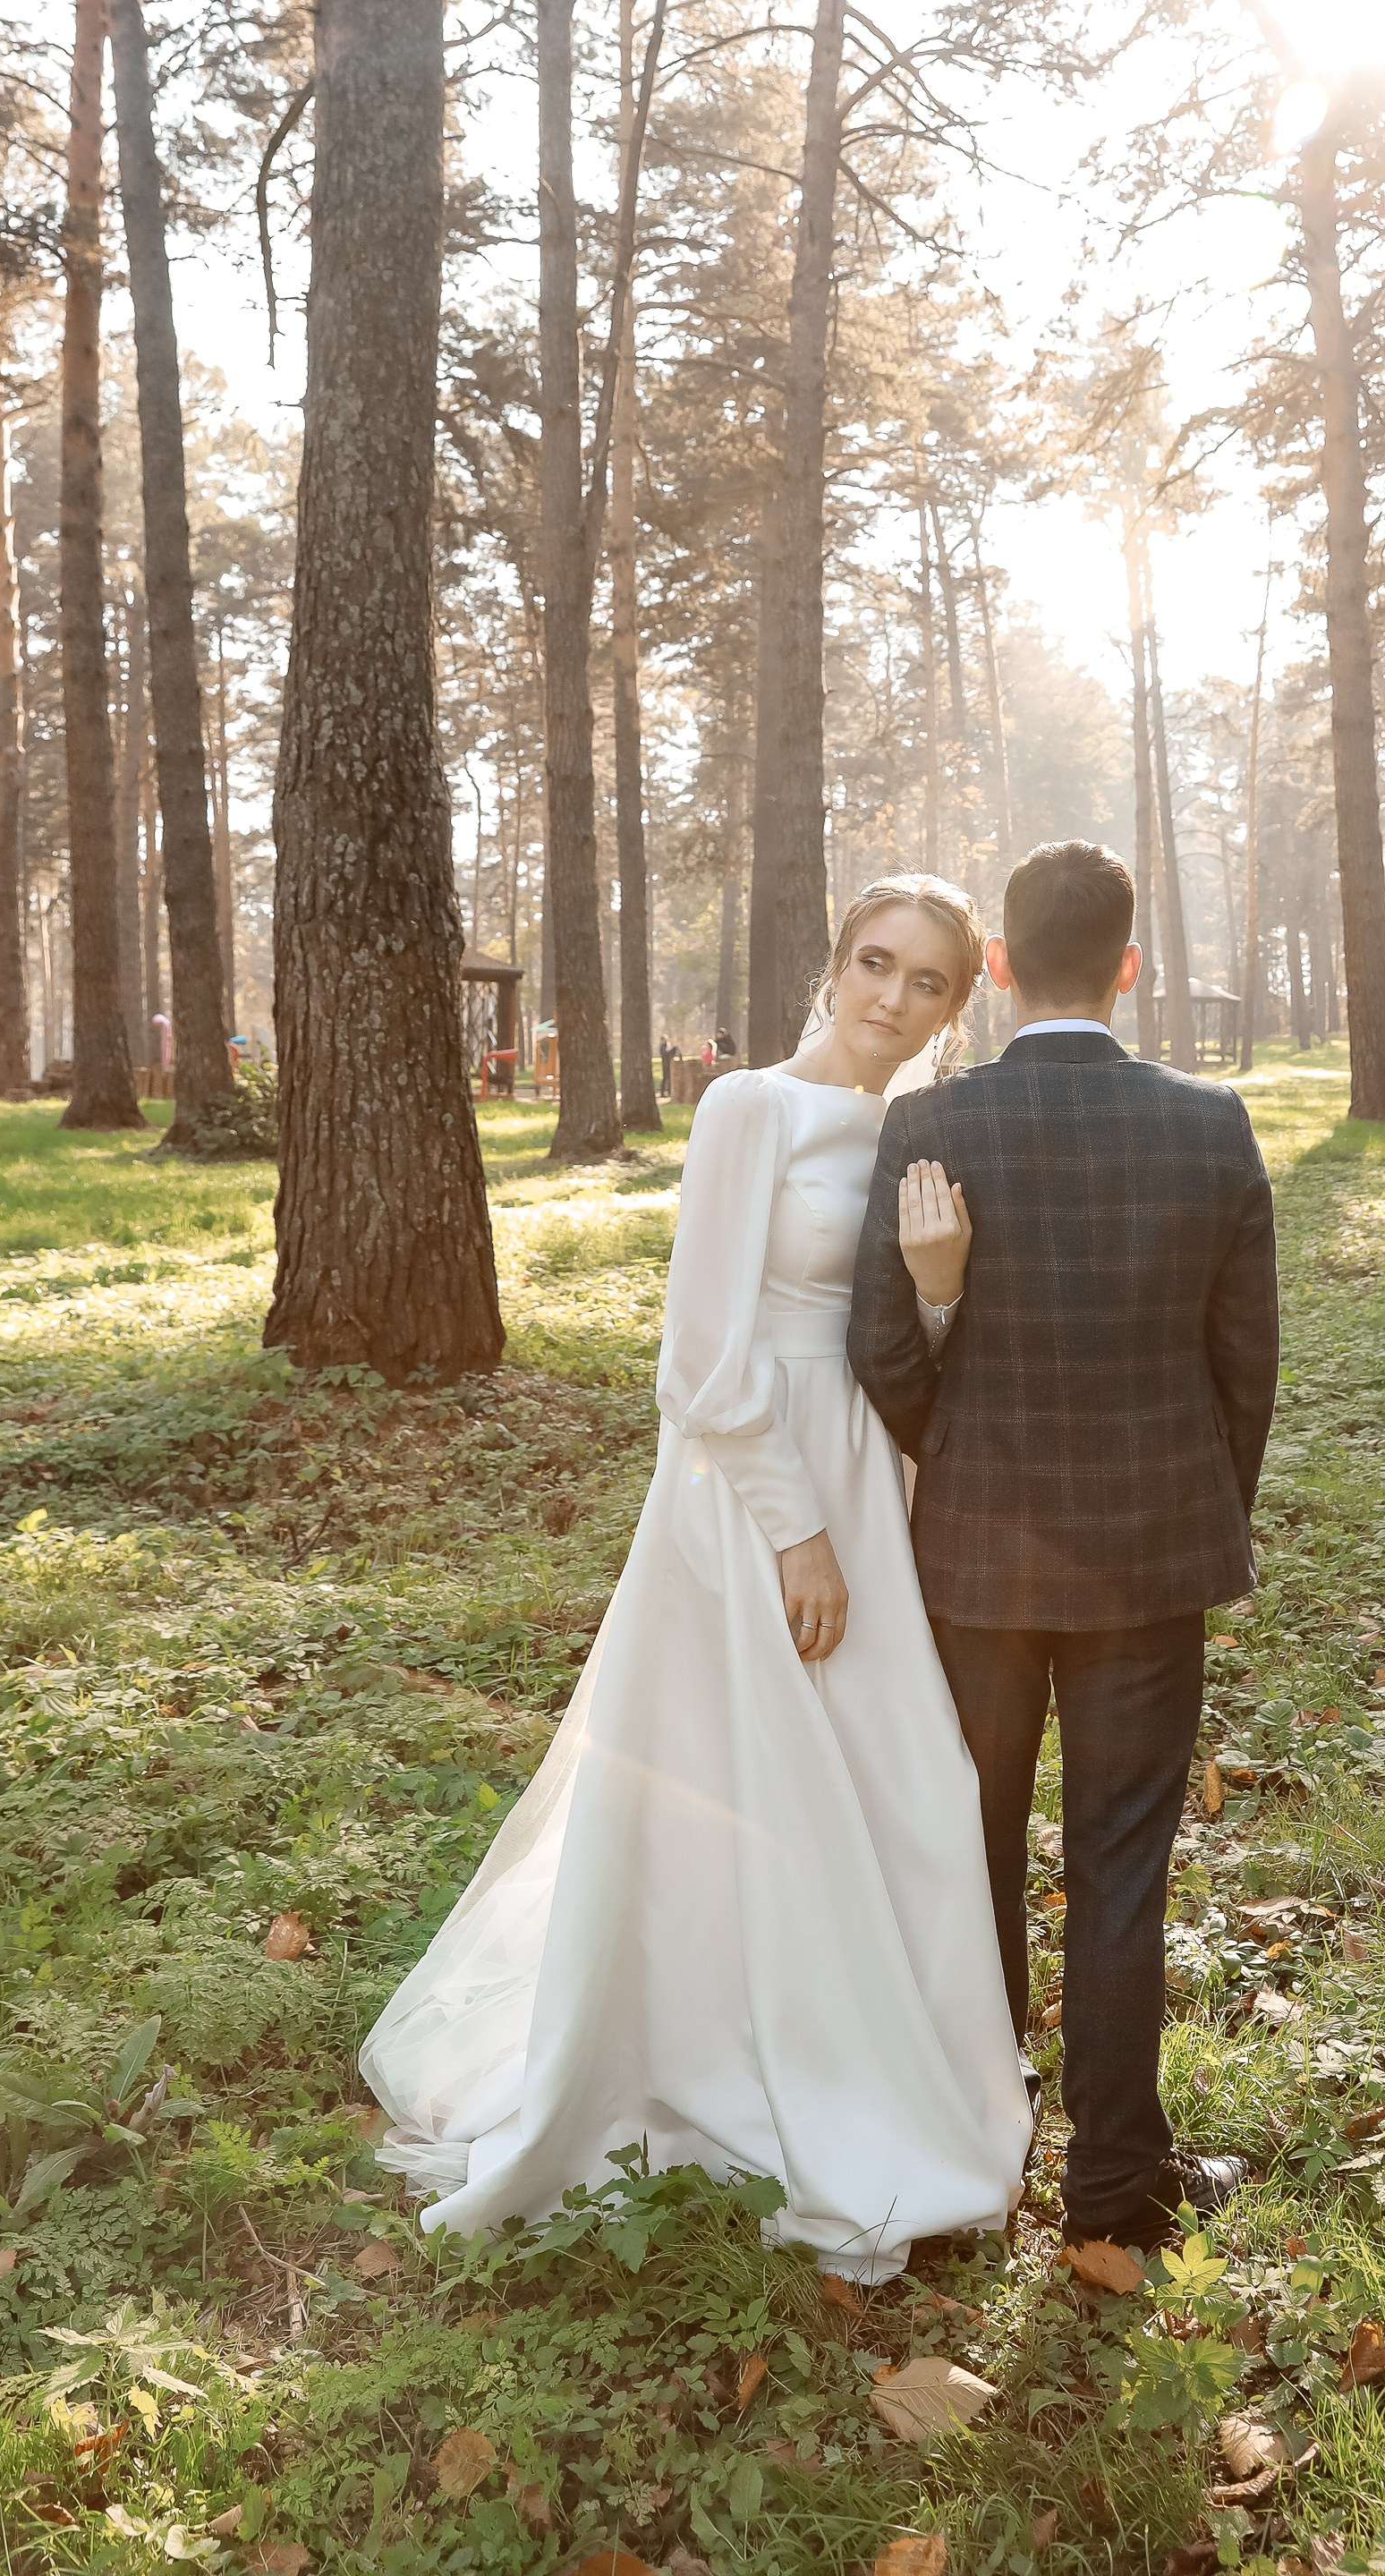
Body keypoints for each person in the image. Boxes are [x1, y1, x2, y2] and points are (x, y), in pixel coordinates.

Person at [362, 876, 1030, 2283]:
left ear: (958, 1007)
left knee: (901, 1781)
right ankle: (719, 2062)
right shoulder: (751, 1111)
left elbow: (923, 1355)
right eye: (874, 964)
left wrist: (947, 1284)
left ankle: (880, 2063)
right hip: (752, 1491)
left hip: (874, 1474)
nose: (892, 1002)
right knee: (752, 1776)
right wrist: (797, 1533)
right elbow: (700, 1363)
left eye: (928, 985)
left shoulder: (916, 1131)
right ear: (832, 961)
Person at [848, 840, 1280, 2254]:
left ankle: (970, 2163)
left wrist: (955, 1453)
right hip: (1150, 1560)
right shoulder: (1212, 1125)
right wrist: (1200, 1514)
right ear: (1131, 968)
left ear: (1005, 973)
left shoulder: (929, 1125)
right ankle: (1115, 2188)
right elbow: (1246, 1367)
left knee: (966, 1847)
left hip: (973, 1563)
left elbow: (878, 1346)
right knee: (1119, 1862)